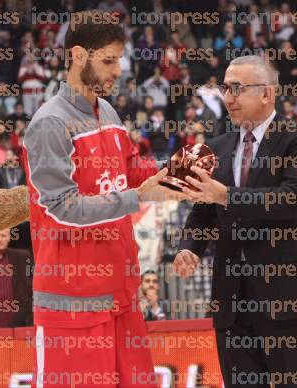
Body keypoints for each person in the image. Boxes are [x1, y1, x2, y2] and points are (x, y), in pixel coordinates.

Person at [21, 11, 185, 388]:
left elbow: (131, 167)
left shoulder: (107, 111)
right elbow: (61, 207)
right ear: (78, 55)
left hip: (121, 299)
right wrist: (136, 198)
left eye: (118, 61)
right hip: (72, 305)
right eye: (108, 61)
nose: (117, 71)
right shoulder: (49, 124)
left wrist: (175, 168)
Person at [173, 55, 297, 388]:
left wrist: (226, 195)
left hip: (288, 295)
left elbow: (292, 200)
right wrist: (189, 247)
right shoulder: (214, 147)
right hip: (232, 299)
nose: (228, 97)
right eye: (225, 88)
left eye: (237, 88)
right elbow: (202, 212)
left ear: (266, 93)